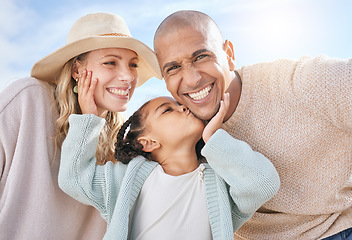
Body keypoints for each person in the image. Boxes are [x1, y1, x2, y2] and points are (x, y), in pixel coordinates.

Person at [153, 10, 352, 240]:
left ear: (228, 54)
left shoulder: (301, 83)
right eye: (173, 68)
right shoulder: (180, 130)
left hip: (331, 230)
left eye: (201, 57)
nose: (191, 79)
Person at [0, 12, 161, 239]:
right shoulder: (28, 100)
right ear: (77, 69)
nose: (127, 76)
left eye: (133, 64)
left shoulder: (122, 142)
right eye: (110, 62)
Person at [58, 93, 280, 240]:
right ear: (149, 142)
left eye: (181, 105)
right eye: (168, 110)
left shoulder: (221, 185)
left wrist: (214, 138)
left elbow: (263, 184)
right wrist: (88, 117)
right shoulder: (125, 180)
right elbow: (74, 179)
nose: (183, 109)